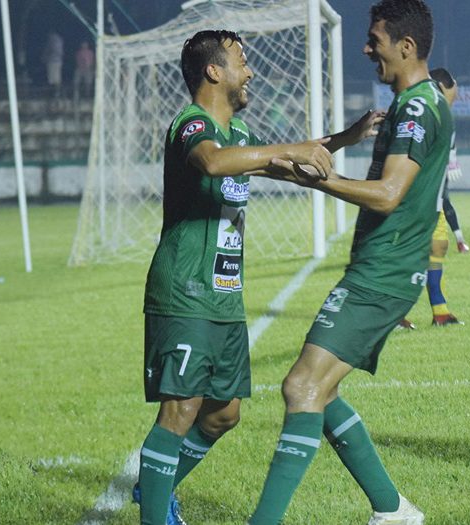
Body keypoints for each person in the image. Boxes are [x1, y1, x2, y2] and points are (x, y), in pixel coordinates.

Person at [134, 30, 382, 525]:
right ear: (214, 71)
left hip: (224, 295)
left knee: (223, 414)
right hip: (185, 291)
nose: (250, 72)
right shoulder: (191, 125)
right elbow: (212, 162)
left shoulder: (241, 136)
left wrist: (343, 140)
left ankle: (155, 485)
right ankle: (155, 511)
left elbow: (286, 164)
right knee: (180, 412)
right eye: (241, 62)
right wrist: (286, 150)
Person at [247, 1, 447, 523]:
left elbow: (388, 194)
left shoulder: (417, 109)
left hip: (384, 272)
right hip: (383, 268)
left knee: (301, 386)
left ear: (406, 46)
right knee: (324, 389)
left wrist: (325, 180)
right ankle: (392, 509)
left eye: (374, 40)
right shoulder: (410, 104)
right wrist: (280, 167)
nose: (366, 49)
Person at [398, 67, 467, 330]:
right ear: (441, 88)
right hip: (415, 200)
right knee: (410, 255)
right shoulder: (423, 113)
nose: (456, 95)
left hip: (433, 199)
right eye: (454, 89)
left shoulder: (445, 117)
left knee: (438, 246)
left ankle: (440, 312)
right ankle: (395, 315)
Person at [42, 31, 64, 97]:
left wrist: (44, 57)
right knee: (57, 78)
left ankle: (54, 93)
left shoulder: (52, 40)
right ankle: (56, 93)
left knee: (52, 79)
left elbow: (49, 50)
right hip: (58, 61)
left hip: (52, 61)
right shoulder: (60, 39)